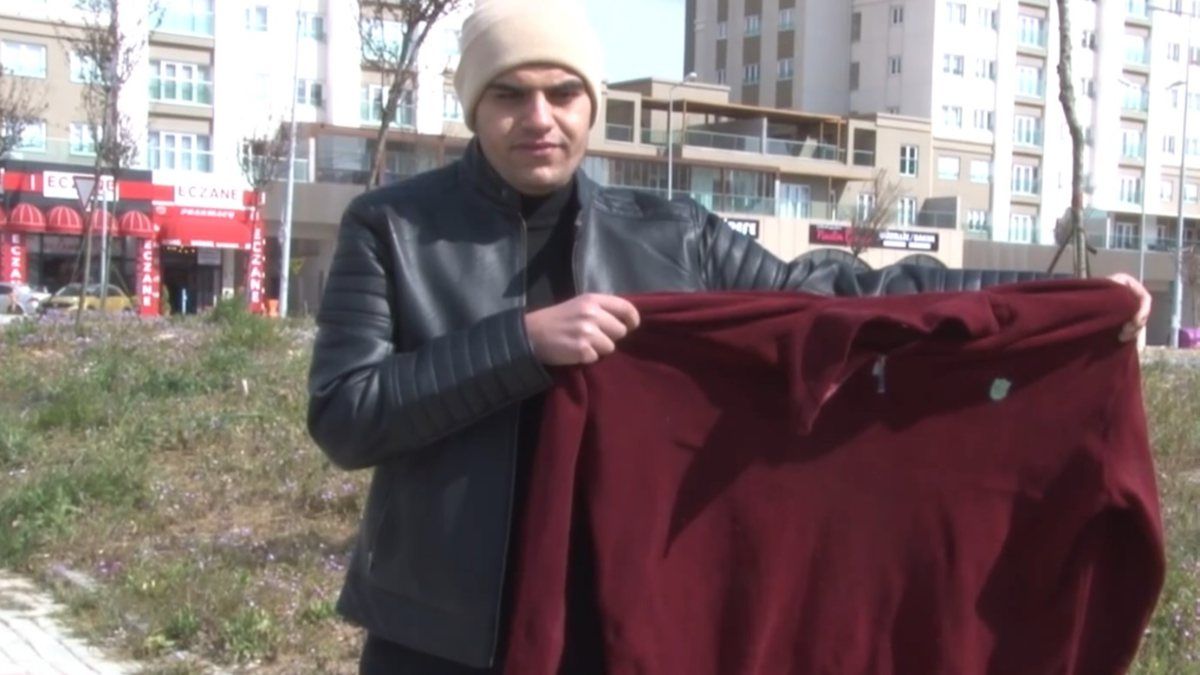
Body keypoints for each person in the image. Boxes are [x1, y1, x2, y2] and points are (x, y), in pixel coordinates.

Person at [307, 0, 1152, 672]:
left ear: (591, 104)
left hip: (609, 618)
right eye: (509, 95)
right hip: (442, 633)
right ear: (473, 106)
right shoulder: (391, 229)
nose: (540, 117)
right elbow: (346, 413)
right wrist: (521, 343)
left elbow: (839, 299)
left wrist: (1063, 303)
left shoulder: (670, 234)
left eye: (562, 93)